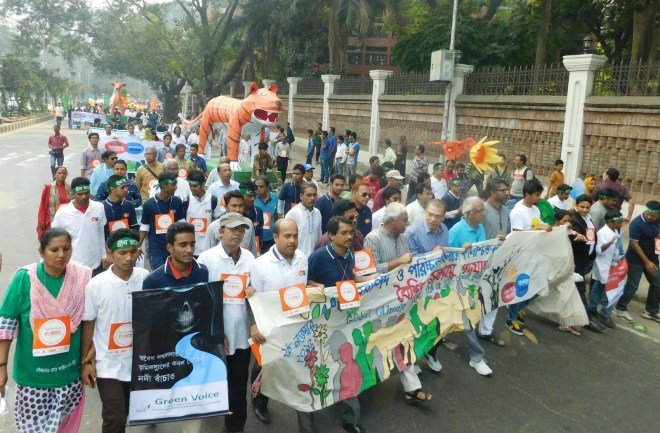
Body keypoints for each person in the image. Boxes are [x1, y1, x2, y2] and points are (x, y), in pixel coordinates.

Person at [0, 228, 91, 433]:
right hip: (33, 378)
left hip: (69, 375)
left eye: (66, 249)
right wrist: (1, 367)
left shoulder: (82, 278)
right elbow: (6, 324)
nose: (61, 254)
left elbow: (90, 322)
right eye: (54, 249)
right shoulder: (25, 279)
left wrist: (87, 360)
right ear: (41, 252)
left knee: (65, 427)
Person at [306, 216, 382, 432]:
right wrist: (314, 285)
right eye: (345, 233)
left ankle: (351, 420)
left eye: (351, 232)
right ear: (331, 235)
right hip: (323, 325)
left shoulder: (350, 255)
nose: (350, 237)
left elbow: (351, 279)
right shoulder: (318, 257)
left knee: (349, 366)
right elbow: (303, 284)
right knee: (320, 368)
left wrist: (372, 279)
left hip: (348, 321)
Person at [363, 204, 434, 403]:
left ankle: (411, 388)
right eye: (404, 220)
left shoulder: (402, 237)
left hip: (401, 300)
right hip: (379, 304)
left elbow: (408, 261)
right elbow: (370, 272)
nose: (408, 223)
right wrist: (399, 262)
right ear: (392, 221)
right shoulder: (373, 239)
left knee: (403, 340)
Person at [81, 229, 148, 433]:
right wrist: (85, 361)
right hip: (108, 363)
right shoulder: (96, 285)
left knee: (128, 411)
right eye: (122, 253)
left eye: (133, 252)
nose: (129, 258)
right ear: (110, 253)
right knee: (114, 417)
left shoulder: (146, 278)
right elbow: (89, 322)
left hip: (139, 360)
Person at [198, 213, 255, 433]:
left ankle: (235, 426)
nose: (238, 233)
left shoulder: (249, 258)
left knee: (239, 385)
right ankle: (210, 414)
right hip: (216, 335)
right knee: (214, 382)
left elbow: (254, 295)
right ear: (221, 231)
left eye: (241, 230)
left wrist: (253, 290)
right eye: (233, 229)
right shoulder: (206, 259)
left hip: (241, 334)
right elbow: (202, 300)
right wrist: (214, 332)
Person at [247, 218, 307, 425]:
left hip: (295, 324)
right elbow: (251, 298)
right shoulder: (260, 264)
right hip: (268, 326)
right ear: (275, 237)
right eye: (287, 236)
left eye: (295, 236)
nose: (292, 241)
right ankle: (258, 402)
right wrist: (253, 325)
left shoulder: (302, 258)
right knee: (264, 366)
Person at [447, 197, 495, 376]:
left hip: (474, 282)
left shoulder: (480, 228)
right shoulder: (456, 230)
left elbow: (481, 251)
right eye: (480, 211)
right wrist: (462, 251)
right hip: (457, 285)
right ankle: (476, 358)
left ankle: (436, 344)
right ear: (469, 214)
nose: (484, 214)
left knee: (462, 318)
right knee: (468, 320)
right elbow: (446, 259)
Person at [506, 179, 552, 335]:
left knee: (539, 287)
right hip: (521, 256)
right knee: (520, 287)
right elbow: (518, 236)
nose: (539, 198)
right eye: (537, 195)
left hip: (534, 254)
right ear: (527, 194)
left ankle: (518, 308)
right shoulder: (517, 211)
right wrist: (537, 228)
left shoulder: (535, 210)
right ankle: (510, 318)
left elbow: (537, 226)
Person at [614, 201, 660, 323]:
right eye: (647, 214)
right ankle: (620, 308)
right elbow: (634, 244)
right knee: (632, 286)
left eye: (652, 215)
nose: (649, 217)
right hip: (636, 260)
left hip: (653, 258)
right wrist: (647, 262)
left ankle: (650, 310)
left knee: (657, 283)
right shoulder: (637, 223)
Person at [52, 177, 107, 274]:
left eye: (86, 193)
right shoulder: (63, 213)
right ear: (72, 194)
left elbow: (100, 232)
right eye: (80, 194)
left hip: (95, 264)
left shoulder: (99, 207)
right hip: (73, 266)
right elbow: (53, 238)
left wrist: (104, 255)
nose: (84, 197)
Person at [568, 194, 605, 333]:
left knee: (574, 288)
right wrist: (577, 236)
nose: (584, 209)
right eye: (581, 207)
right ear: (576, 205)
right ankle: (585, 320)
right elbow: (573, 234)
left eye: (587, 207)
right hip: (576, 260)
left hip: (586, 259)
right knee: (581, 288)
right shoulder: (574, 220)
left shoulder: (588, 218)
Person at [587, 210, 625, 329]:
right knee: (612, 290)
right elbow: (599, 249)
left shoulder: (614, 230)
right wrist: (611, 242)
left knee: (599, 287)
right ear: (610, 221)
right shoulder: (602, 232)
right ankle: (605, 313)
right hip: (603, 265)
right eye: (619, 222)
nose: (621, 224)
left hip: (612, 265)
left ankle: (591, 308)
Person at [139, 172, 186, 270]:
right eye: (173, 185)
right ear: (164, 186)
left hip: (175, 248)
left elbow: (182, 224)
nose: (176, 187)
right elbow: (144, 227)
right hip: (157, 250)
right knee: (159, 276)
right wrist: (138, 246)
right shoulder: (149, 204)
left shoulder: (177, 201)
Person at [202, 190, 258, 256]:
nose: (238, 209)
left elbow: (252, 249)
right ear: (226, 207)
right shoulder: (214, 227)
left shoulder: (248, 223)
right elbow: (207, 253)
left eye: (240, 206)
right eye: (234, 206)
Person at [185, 170, 221, 257]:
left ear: (203, 185)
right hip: (190, 246)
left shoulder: (213, 200)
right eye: (190, 186)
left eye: (195, 186)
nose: (192, 188)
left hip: (208, 246)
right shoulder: (186, 201)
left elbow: (217, 221)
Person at [285, 182, 322, 257]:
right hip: (297, 259)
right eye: (309, 195)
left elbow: (319, 238)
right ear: (301, 196)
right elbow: (286, 239)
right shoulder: (292, 214)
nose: (312, 198)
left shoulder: (317, 213)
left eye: (314, 195)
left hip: (315, 258)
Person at [37, 166, 71, 240]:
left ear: (66, 175)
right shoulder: (48, 188)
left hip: (65, 220)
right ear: (55, 175)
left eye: (64, 173)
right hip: (51, 220)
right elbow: (42, 205)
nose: (61, 175)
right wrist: (41, 220)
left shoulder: (70, 188)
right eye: (59, 173)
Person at [102, 174, 139, 240]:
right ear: (113, 189)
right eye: (122, 187)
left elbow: (134, 228)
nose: (126, 190)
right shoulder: (102, 207)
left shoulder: (129, 205)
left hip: (127, 245)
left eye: (126, 187)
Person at [254, 175, 278, 252]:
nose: (258, 189)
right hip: (256, 237)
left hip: (271, 237)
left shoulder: (275, 198)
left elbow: (277, 216)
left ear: (267, 187)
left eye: (261, 186)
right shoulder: (252, 198)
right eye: (256, 186)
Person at [240, 181, 265, 254]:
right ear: (242, 195)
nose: (253, 199)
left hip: (254, 250)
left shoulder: (259, 212)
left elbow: (260, 235)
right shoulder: (236, 213)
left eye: (254, 196)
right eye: (249, 196)